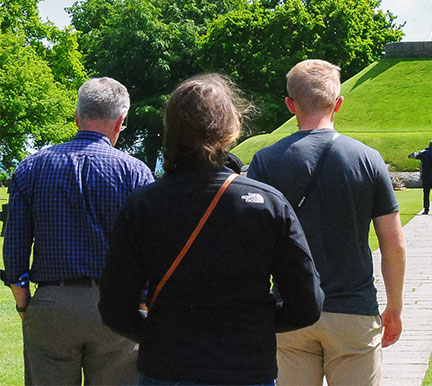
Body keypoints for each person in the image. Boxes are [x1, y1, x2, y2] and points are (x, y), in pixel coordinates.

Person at [99, 74, 323, 385]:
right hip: (245, 366)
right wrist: (253, 326)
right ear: (232, 127)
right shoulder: (268, 204)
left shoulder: (142, 205)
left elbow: (114, 306)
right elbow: (306, 303)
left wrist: (157, 333)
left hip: (168, 365)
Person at [247, 60, 406, 386]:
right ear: (338, 103)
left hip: (291, 310)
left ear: (290, 105)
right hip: (353, 310)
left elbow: (252, 247)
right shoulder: (367, 159)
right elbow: (393, 242)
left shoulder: (265, 161)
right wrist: (394, 307)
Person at [1, 77, 153, 386]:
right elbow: (149, 248)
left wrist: (23, 302)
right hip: (117, 306)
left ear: (76, 116)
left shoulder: (31, 168)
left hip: (52, 303)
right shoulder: (135, 172)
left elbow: (15, 247)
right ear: (120, 121)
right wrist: (143, 299)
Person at [409, 140, 432, 214]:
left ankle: (426, 209)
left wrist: (410, 155)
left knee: (426, 194)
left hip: (425, 176)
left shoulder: (423, 152)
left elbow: (414, 155)